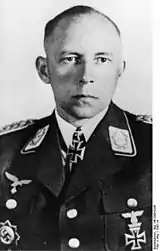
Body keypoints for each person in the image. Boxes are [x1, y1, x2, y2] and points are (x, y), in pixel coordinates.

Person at [0, 5, 152, 251]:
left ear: (120, 69)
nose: (86, 76)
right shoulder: (6, 152)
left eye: (102, 59)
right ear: (44, 69)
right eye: (71, 59)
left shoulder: (151, 146)